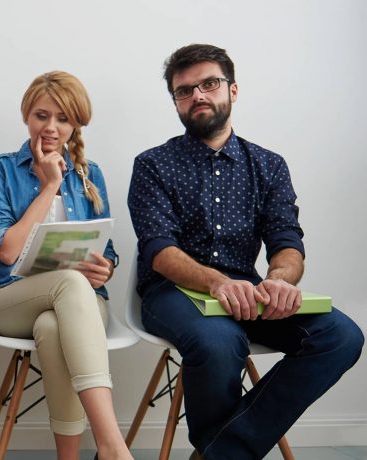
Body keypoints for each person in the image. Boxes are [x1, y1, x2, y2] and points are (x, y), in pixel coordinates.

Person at [127, 43, 363, 459]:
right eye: (184, 90)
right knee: (221, 341)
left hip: (250, 291)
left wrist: (279, 280)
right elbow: (159, 250)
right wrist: (218, 282)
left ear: (232, 90)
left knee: (341, 336)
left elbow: (287, 241)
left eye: (209, 83)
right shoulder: (153, 164)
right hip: (172, 292)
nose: (197, 95)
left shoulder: (269, 165)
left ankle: (221, 452)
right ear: (176, 102)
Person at [0, 71, 133, 460]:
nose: (51, 127)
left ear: (75, 123)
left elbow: (106, 246)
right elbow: (7, 252)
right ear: (27, 115)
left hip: (79, 303)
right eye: (42, 115)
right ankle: (111, 444)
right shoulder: (0, 169)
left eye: (62, 118)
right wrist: (48, 187)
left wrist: (105, 268)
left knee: (52, 325)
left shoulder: (89, 173)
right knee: (68, 283)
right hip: (9, 299)